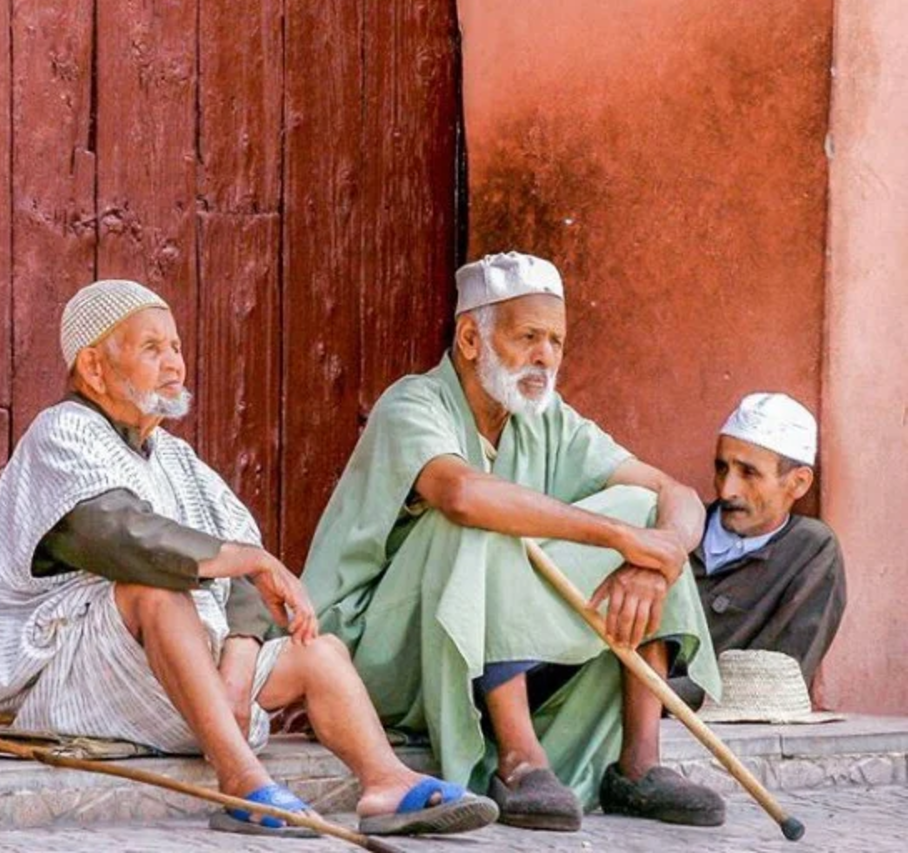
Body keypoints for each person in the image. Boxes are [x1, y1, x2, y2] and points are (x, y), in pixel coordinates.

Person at [0, 280, 498, 838]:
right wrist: (246, 560)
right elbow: (115, 534)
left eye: (176, 347)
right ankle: (242, 783)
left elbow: (242, 556)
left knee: (320, 652)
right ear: (94, 368)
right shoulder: (62, 431)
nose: (175, 364)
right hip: (72, 684)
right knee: (154, 589)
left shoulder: (175, 455)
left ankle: (387, 783)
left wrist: (239, 668)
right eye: (152, 349)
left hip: (188, 692)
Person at [301, 252, 725, 832]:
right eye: (529, 336)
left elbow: (673, 492)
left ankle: (638, 764)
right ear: (472, 338)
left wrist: (659, 558)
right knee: (483, 516)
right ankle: (520, 759)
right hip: (382, 655)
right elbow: (462, 495)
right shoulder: (413, 403)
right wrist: (621, 538)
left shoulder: (546, 418)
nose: (545, 356)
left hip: (477, 638)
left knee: (643, 508)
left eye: (556, 341)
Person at [668, 393, 846, 709]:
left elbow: (772, 681)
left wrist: (653, 697)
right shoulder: (676, 526)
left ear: (798, 483)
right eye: (721, 468)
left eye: (749, 473)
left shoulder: (811, 552)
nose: (726, 490)